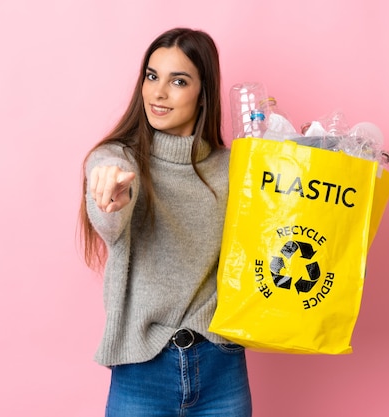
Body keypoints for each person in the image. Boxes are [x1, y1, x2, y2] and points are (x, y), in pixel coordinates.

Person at [78, 28, 252, 417]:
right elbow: (108, 219)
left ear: (203, 93)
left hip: (222, 364)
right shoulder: (116, 160)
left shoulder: (235, 169)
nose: (158, 93)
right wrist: (112, 197)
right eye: (152, 76)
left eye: (178, 81)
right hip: (142, 367)